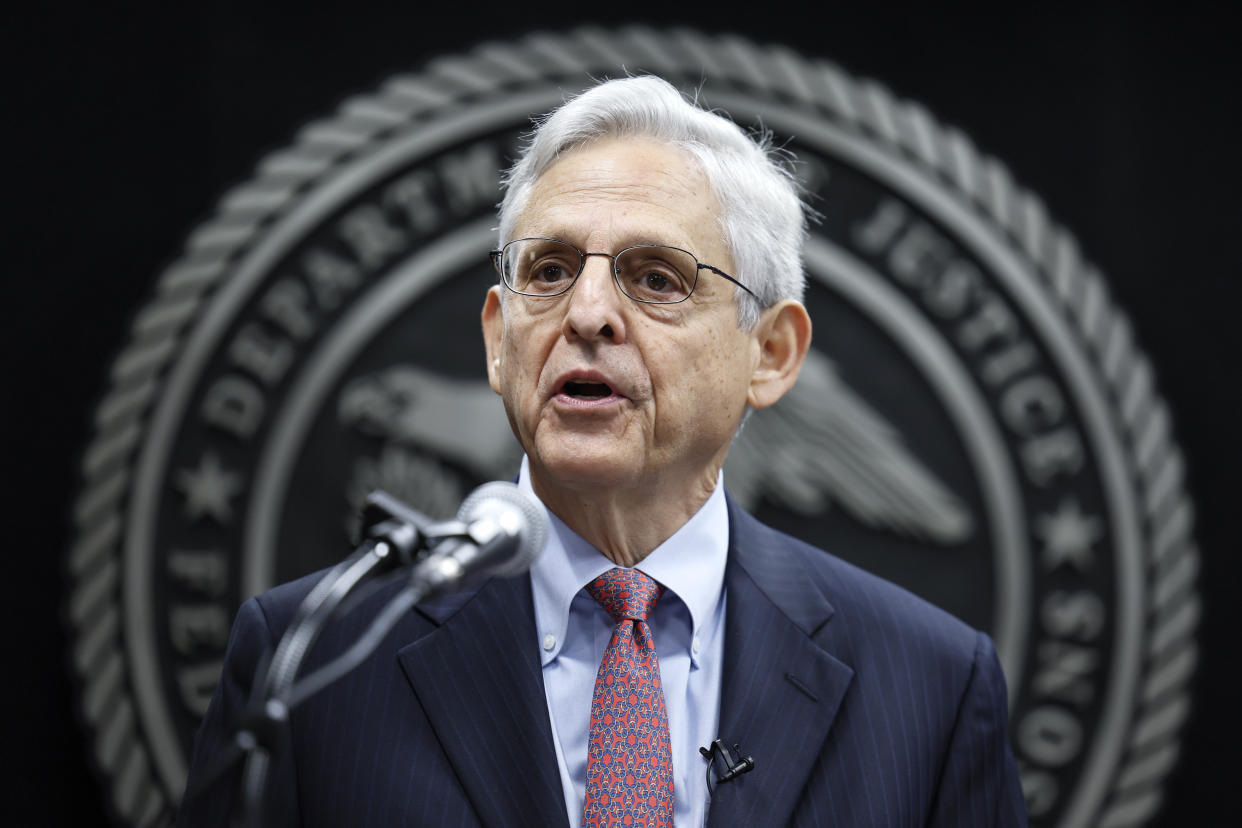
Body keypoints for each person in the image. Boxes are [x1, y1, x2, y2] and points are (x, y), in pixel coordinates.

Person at [179, 75, 1028, 827]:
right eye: (548, 271)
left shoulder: (932, 686)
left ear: (770, 354)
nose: (586, 313)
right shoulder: (312, 661)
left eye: (656, 277)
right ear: (497, 343)